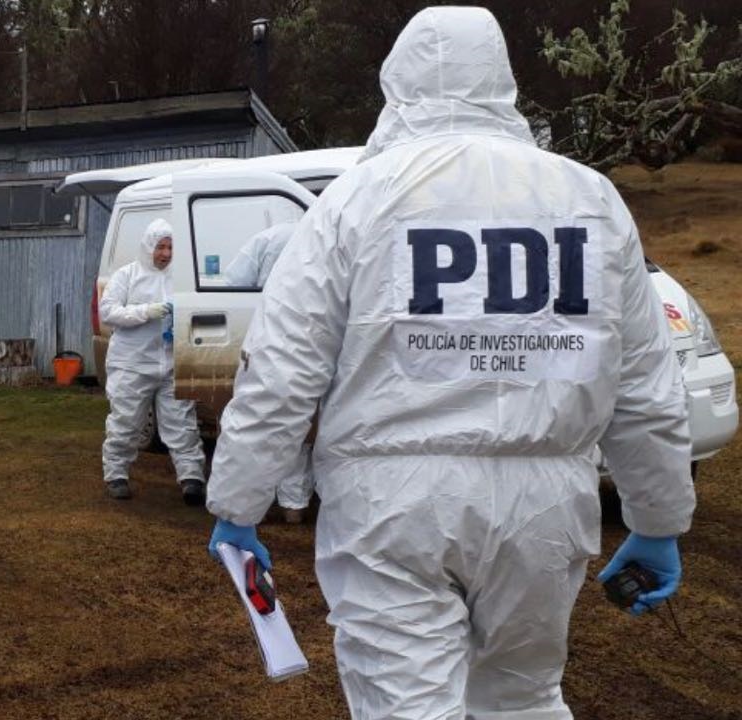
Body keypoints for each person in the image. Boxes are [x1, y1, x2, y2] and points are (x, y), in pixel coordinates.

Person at [206, 7, 695, 719]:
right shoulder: (590, 200)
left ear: (396, 86)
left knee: (406, 706)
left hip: (391, 506)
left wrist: (240, 504)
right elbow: (645, 382)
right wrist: (657, 517)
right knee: (523, 699)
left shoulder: (355, 202)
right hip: (546, 506)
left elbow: (281, 367)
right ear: (503, 82)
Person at [99, 219, 207, 504]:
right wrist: (148, 311)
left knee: (182, 423)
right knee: (126, 422)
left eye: (171, 247)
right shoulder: (127, 275)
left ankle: (192, 478)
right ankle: (116, 475)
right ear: (148, 247)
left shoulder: (181, 278)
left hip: (171, 362)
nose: (166, 253)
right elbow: (108, 312)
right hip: (132, 363)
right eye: (160, 246)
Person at [224, 221, 315, 523]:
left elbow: (234, 282)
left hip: (266, 338)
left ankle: (248, 506)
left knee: (259, 423)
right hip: (310, 341)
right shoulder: (326, 235)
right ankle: (295, 505)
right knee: (300, 426)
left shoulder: (268, 237)